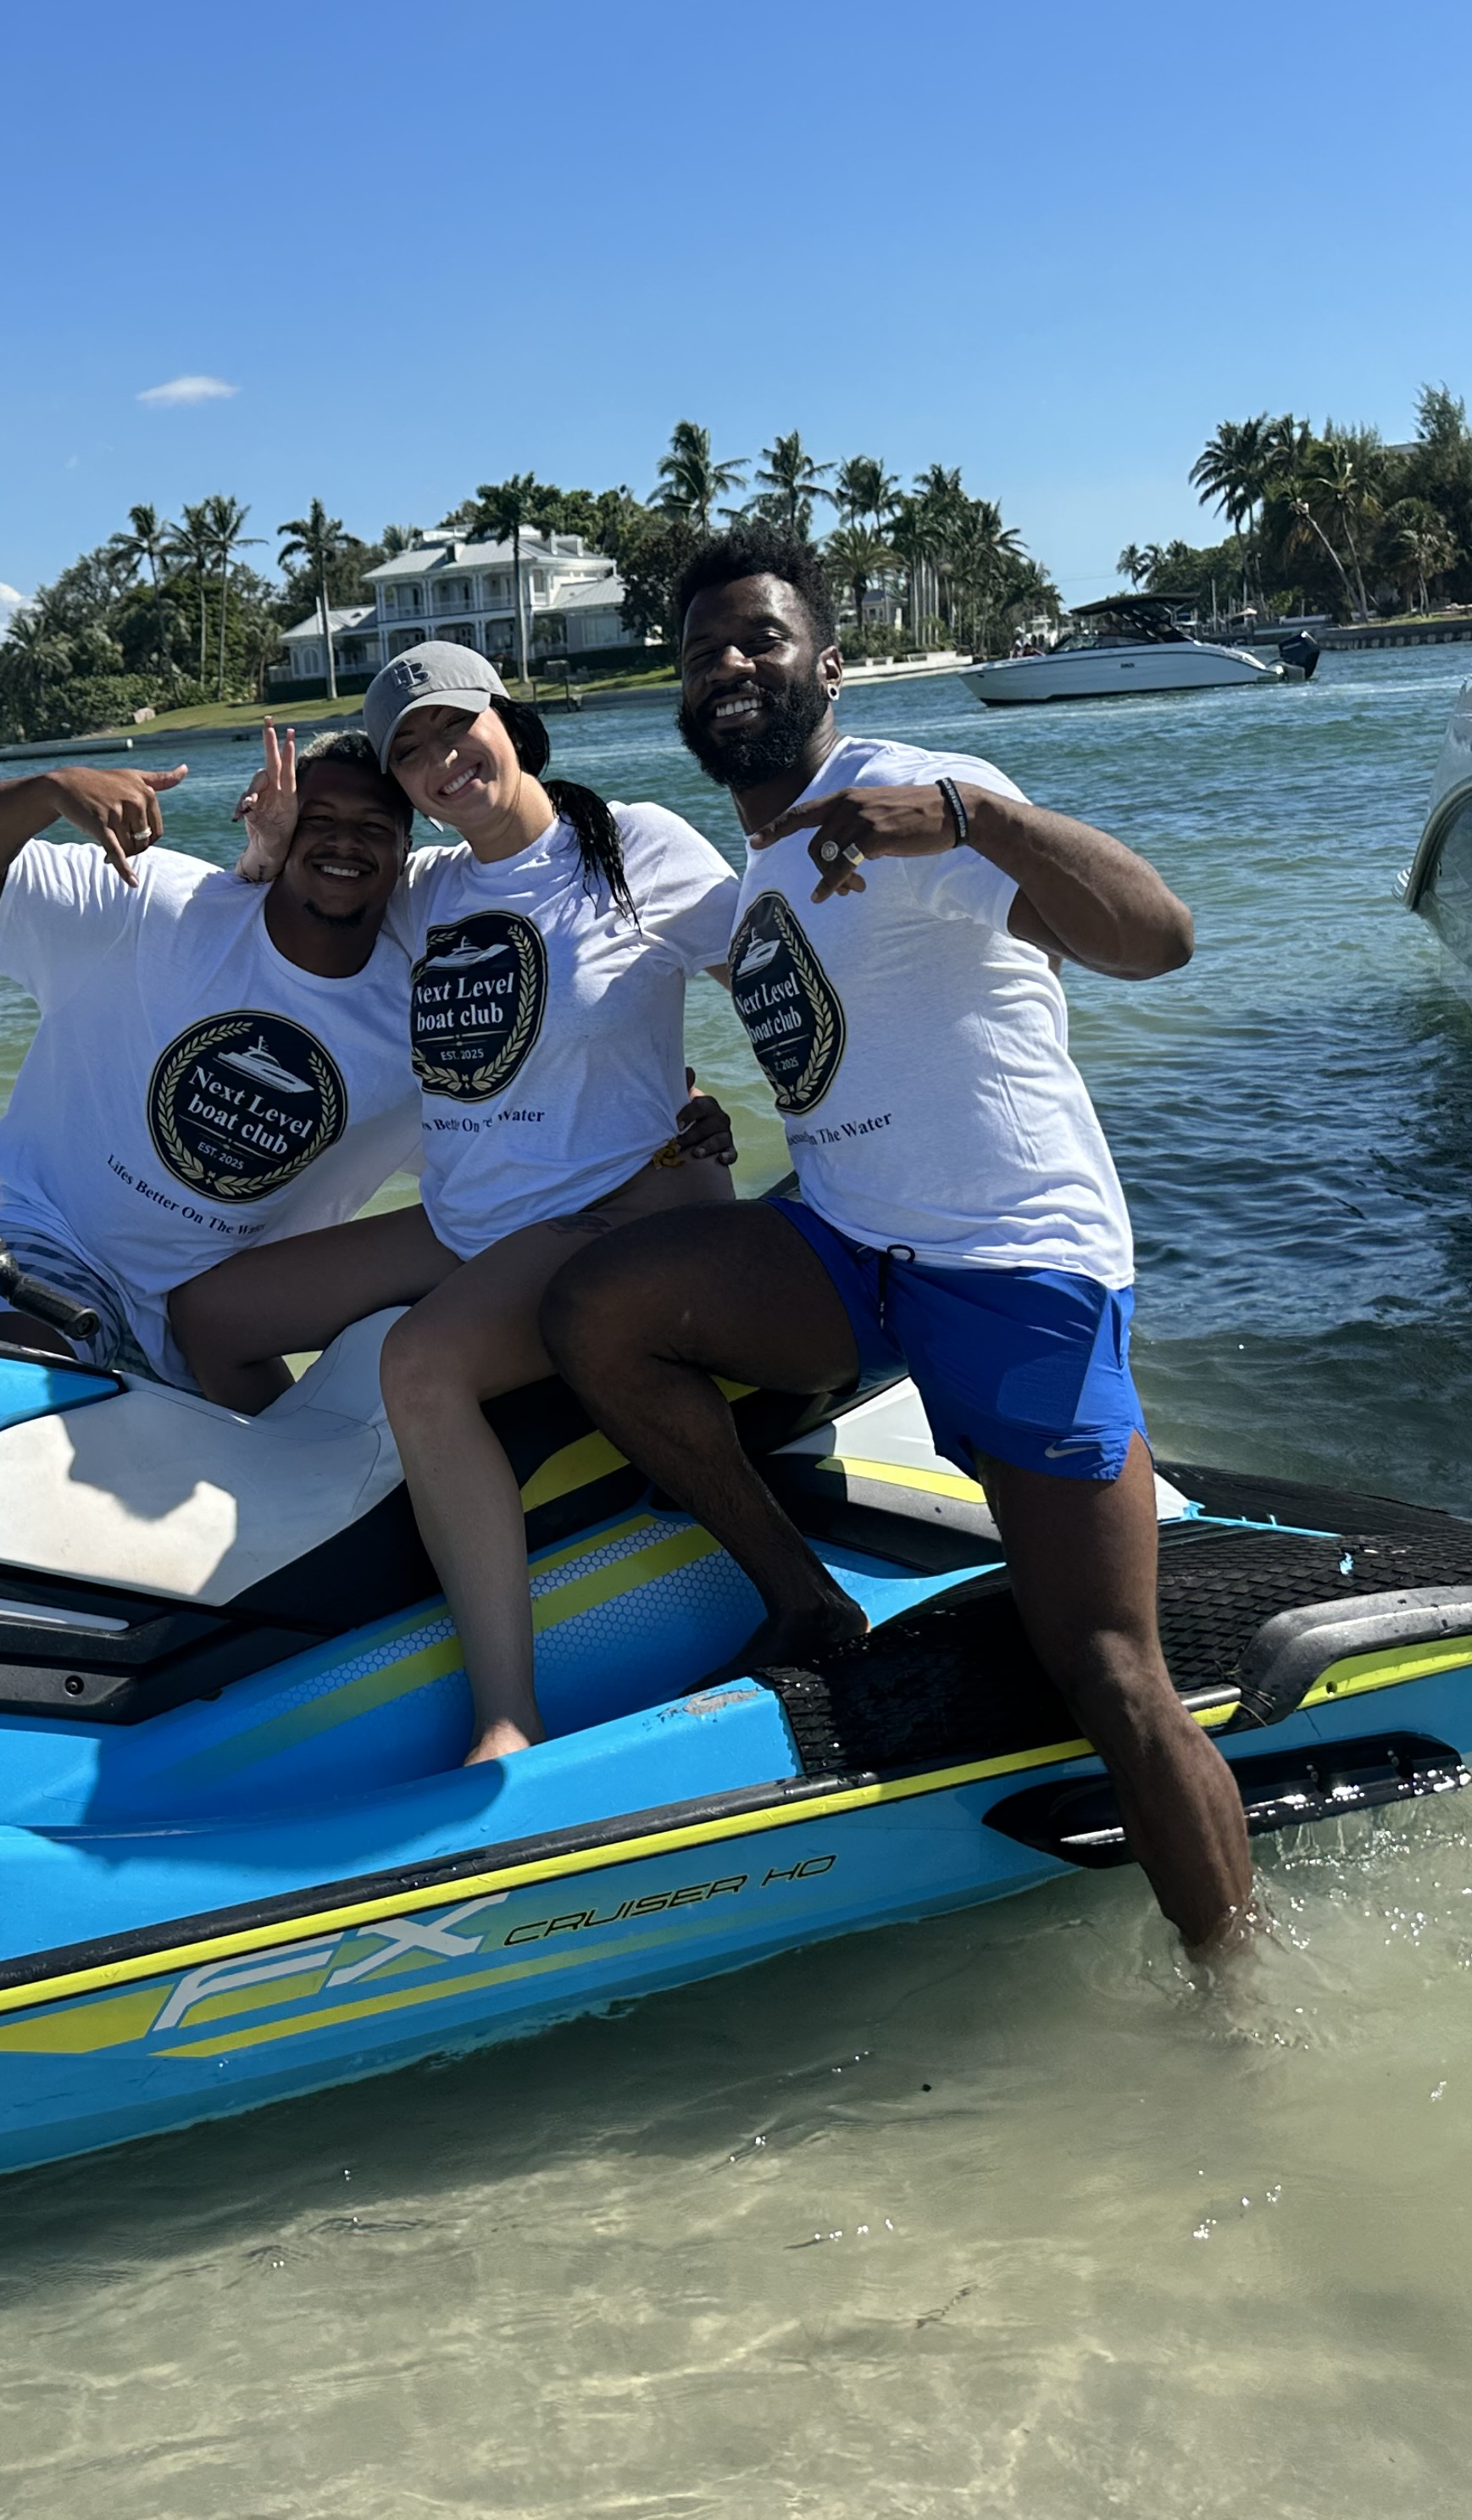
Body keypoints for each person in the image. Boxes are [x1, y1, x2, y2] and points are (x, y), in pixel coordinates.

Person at [537, 524, 1257, 1957]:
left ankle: (1235, 1990)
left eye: (759, 639)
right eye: (701, 652)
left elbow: (1155, 937)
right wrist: (695, 1111)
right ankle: (800, 1599)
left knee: (1108, 1668)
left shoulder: (912, 793)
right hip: (850, 1247)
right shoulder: (757, 876)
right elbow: (851, 1043)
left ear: (828, 666)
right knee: (596, 1312)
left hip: (1010, 1268)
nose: (729, 667)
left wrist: (974, 818)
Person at [169, 642, 739, 1762]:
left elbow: (775, 981)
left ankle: (507, 1716)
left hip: (618, 1207)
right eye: (410, 752)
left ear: (503, 717)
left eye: (450, 727)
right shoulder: (424, 892)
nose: (438, 761)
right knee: (210, 1316)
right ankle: (332, 1545)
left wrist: (742, 1109)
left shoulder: (633, 846)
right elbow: (292, 919)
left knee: (419, 1366)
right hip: (471, 1217)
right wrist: (263, 849)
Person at [0, 730, 424, 1388]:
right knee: (8, 1396)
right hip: (53, 1245)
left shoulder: (418, 1027)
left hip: (211, 1324)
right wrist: (51, 789)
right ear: (279, 827)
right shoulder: (155, 901)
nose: (343, 842)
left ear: (407, 851)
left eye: (374, 826)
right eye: (318, 820)